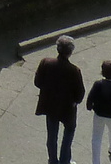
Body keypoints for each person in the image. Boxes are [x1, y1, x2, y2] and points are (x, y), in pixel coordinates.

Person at [34, 34, 87, 164]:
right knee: (69, 131)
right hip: (67, 108)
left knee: (52, 136)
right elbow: (80, 93)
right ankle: (64, 160)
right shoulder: (74, 70)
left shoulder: (45, 62)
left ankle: (53, 160)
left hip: (50, 106)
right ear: (70, 52)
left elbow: (37, 82)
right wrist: (75, 101)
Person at [85, 59, 111, 163]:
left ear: (102, 72)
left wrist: (90, 106)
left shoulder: (98, 84)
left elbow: (90, 98)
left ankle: (96, 161)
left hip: (98, 114)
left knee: (96, 137)